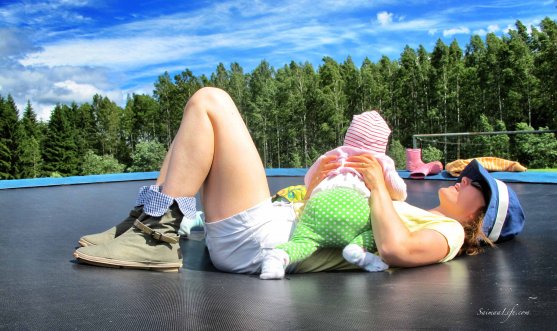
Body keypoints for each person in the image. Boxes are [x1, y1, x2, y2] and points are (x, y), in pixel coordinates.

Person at [73, 87, 525, 274]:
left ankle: (156, 241)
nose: (465, 177)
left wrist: (373, 183)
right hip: (265, 227)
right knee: (201, 120)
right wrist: (319, 183)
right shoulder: (419, 212)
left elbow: (395, 250)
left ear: (480, 219)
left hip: (260, 242)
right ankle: (145, 223)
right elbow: (329, 216)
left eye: (476, 185)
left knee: (210, 102)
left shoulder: (445, 233)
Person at [259, 110, 406, 279]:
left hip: (319, 205)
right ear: (382, 144)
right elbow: (399, 193)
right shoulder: (379, 160)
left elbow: (310, 180)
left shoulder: (333, 155)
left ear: (349, 136)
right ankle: (358, 249)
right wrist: (382, 180)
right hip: (355, 207)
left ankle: (277, 258)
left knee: (304, 241)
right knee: (379, 228)